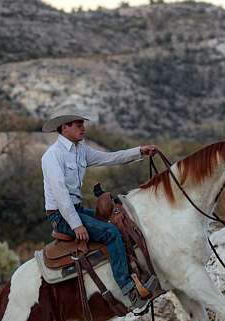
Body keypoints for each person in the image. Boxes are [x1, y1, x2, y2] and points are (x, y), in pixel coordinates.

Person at [41, 110, 158, 309]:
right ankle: (128, 290)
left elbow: (110, 158)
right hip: (61, 215)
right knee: (111, 233)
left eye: (82, 124)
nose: (83, 128)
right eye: (78, 125)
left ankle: (138, 271)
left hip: (74, 209)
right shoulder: (52, 156)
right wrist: (76, 225)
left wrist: (139, 151)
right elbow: (60, 195)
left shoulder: (81, 150)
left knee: (118, 220)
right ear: (65, 128)